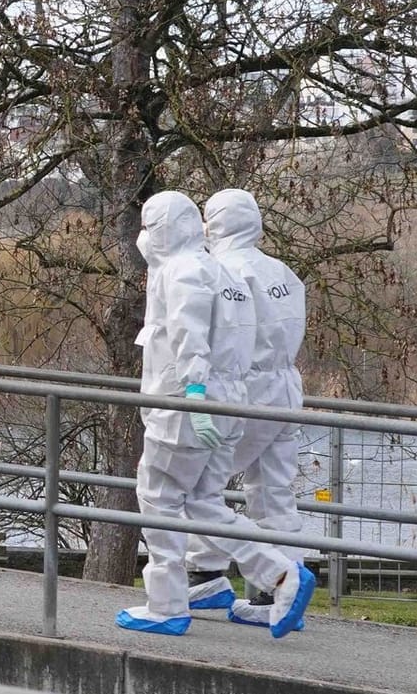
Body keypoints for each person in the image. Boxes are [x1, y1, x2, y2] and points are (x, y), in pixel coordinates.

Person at [117, 191, 315, 638]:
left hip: (195, 401)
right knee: (236, 497)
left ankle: (170, 601)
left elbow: (189, 338)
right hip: (256, 392)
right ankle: (279, 575)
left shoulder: (197, 271)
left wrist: (195, 393)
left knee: (162, 499)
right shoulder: (253, 272)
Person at [182, 189, 310, 627]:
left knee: (200, 485)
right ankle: (280, 592)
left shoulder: (218, 271)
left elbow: (217, 338)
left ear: (213, 223)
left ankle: (206, 575)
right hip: (286, 389)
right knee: (274, 492)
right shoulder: (283, 272)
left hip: (242, 388)